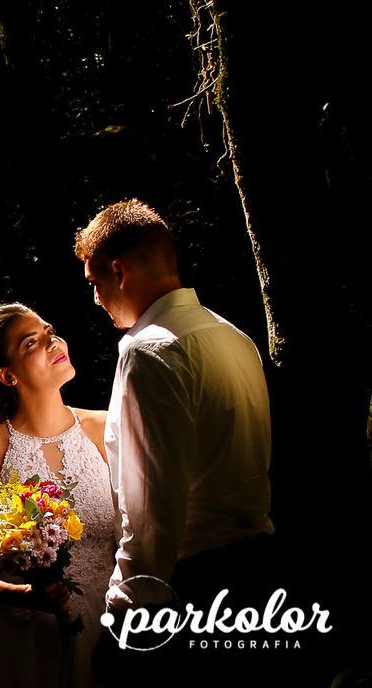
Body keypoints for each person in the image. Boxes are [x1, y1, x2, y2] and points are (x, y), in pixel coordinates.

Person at [73, 199, 274, 617]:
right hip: (259, 566)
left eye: (94, 282)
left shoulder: (147, 352)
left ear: (118, 270)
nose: (95, 299)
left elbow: (150, 503)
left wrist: (130, 598)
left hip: (194, 582)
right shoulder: (233, 336)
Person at [0, 303, 114, 688]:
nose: (52, 341)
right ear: (7, 375)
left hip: (108, 623)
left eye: (50, 330)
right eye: (31, 343)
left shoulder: (106, 428)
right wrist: (17, 593)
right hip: (21, 634)